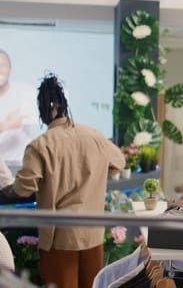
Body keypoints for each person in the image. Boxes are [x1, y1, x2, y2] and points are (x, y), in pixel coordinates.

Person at [1, 73, 124, 288]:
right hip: (93, 233)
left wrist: (7, 191)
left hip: (60, 238)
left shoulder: (40, 145)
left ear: (42, 110)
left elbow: (23, 188)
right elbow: (119, 162)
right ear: (64, 105)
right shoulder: (94, 136)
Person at [0, 49, 39, 166]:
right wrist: (5, 125)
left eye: (2, 66)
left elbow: (34, 117)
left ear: (10, 70)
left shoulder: (24, 91)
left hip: (19, 163)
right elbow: (11, 124)